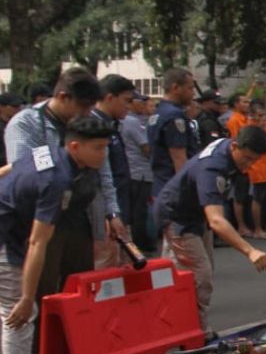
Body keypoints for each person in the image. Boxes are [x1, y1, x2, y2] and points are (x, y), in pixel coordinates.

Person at [0, 117, 112, 354]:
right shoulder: (58, 181)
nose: (103, 155)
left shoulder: (47, 152)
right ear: (74, 146)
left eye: (105, 147)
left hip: (10, 226)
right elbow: (38, 242)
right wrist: (28, 297)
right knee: (19, 316)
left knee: (9, 313)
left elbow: (12, 168)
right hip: (8, 237)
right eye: (97, 148)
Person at [4, 67, 126, 296]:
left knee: (81, 285)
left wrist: (112, 212)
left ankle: (75, 331)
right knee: (44, 287)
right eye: (83, 106)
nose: (87, 113)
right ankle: (41, 331)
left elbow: (103, 171)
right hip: (43, 216)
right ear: (62, 97)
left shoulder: (88, 122)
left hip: (80, 215)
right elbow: (25, 173)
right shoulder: (27, 124)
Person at [154, 128, 266, 334]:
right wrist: (250, 251)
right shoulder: (213, 168)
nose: (249, 165)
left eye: (254, 160)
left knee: (194, 272)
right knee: (200, 276)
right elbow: (217, 221)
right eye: (246, 158)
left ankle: (180, 325)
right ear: (235, 147)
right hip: (179, 217)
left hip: (197, 213)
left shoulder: (228, 148)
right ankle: (194, 332)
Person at [90, 75, 135, 267]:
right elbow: (100, 176)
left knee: (127, 267)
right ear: (109, 98)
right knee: (106, 271)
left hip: (119, 207)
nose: (129, 106)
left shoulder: (111, 125)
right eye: (127, 100)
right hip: (105, 214)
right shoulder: (93, 127)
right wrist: (109, 214)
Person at [147, 67, 198, 196]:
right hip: (173, 187)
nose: (193, 94)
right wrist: (188, 192)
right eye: (190, 88)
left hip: (161, 183)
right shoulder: (174, 115)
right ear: (176, 88)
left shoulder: (158, 113)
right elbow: (179, 158)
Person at [122, 93, 155, 252]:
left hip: (131, 170)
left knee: (134, 209)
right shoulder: (132, 121)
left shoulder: (124, 120)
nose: (142, 104)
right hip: (139, 171)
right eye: (139, 102)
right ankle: (141, 242)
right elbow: (146, 148)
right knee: (139, 210)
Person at [224, 93, 255, 236]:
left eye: (248, 102)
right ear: (236, 104)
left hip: (248, 162)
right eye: (244, 102)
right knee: (239, 196)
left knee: (245, 195)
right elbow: (237, 142)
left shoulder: (245, 119)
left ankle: (245, 224)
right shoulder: (234, 120)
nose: (247, 104)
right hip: (239, 162)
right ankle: (241, 226)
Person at [246, 102, 266, 239]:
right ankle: (257, 229)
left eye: (264, 114)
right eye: (259, 115)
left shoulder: (263, 127)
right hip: (257, 169)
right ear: (252, 115)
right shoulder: (250, 129)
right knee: (257, 199)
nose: (263, 117)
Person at [0, 93, 22, 167]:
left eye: (19, 106)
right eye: (14, 106)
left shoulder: (20, 124)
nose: (19, 109)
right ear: (2, 107)